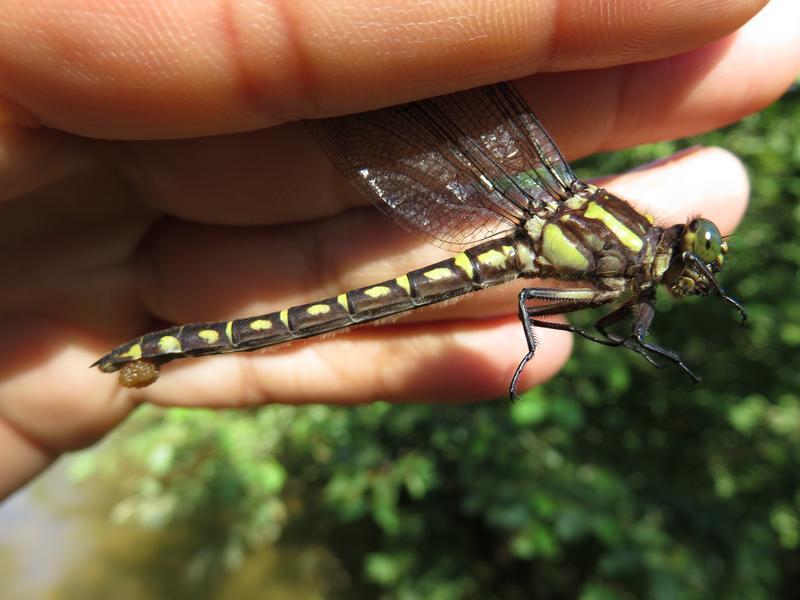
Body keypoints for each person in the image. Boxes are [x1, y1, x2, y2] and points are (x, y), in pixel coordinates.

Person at [0, 0, 797, 499]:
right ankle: (170, 345)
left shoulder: (623, 268)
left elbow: (601, 316)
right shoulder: (620, 252)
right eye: (690, 257)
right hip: (515, 246)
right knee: (517, 301)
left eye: (694, 263)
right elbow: (535, 302)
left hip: (520, 245)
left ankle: (157, 348)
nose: (687, 270)